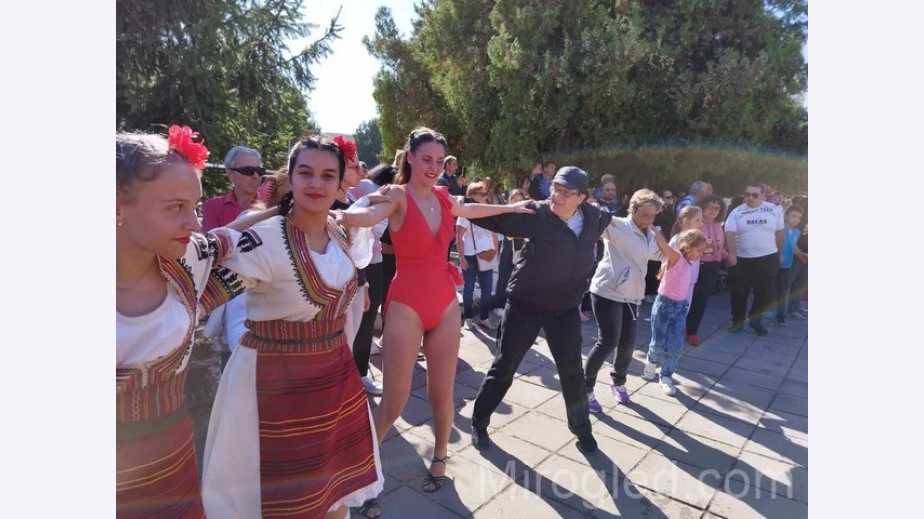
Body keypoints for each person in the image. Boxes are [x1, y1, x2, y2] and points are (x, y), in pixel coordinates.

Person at [337, 128, 533, 517]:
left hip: (444, 303)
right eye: (426, 159)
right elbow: (368, 215)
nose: (433, 167)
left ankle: (440, 456)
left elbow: (469, 209)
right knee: (394, 400)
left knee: (443, 394)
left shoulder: (444, 196)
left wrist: (511, 210)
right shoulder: (396, 195)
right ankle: (361, 473)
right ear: (410, 157)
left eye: (440, 162)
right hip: (406, 304)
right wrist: (338, 214)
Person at [201, 136, 386, 519]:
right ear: (290, 176)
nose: (316, 183)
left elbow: (382, 207)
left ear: (340, 183)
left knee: (335, 490)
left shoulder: (339, 233)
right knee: (283, 500)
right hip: (275, 387)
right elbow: (203, 269)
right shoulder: (264, 240)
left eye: (327, 175)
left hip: (334, 380)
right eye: (305, 173)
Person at [116, 127, 275, 518]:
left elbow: (223, 238)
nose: (193, 222)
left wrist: (285, 210)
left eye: (194, 206)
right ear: (117, 207)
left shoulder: (187, 261)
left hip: (175, 465)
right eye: (175, 207)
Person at [467, 167, 613, 454]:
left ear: (581, 198)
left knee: (572, 372)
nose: (556, 196)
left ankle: (582, 430)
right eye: (555, 188)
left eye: (565, 192)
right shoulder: (537, 214)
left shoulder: (595, 217)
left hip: (565, 309)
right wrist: (457, 205)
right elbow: (494, 218)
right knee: (504, 367)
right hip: (525, 306)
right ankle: (479, 422)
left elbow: (620, 223)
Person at [584, 189, 674, 410]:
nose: (648, 219)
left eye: (653, 215)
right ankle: (584, 388)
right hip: (608, 291)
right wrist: (593, 206)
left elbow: (668, 256)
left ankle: (618, 383)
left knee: (627, 344)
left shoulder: (650, 234)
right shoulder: (617, 225)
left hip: (633, 294)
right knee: (607, 342)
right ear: (633, 209)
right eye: (644, 214)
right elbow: (595, 217)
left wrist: (656, 233)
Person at [642, 230, 707, 395]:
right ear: (687, 247)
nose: (701, 254)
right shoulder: (676, 258)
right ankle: (651, 360)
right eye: (699, 250)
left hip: (680, 307)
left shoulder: (689, 263)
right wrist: (652, 228)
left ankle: (666, 376)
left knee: (675, 344)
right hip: (664, 306)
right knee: (658, 343)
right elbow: (663, 244)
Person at [725, 183, 784, 335]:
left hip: (767, 258)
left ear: (763, 195)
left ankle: (755, 320)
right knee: (739, 294)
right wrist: (732, 254)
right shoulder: (736, 212)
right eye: (747, 194)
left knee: (765, 294)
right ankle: (737, 321)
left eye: (754, 195)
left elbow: (779, 233)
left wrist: (780, 253)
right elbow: (730, 234)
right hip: (742, 260)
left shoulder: (774, 210)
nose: (750, 198)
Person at [686, 195, 728, 345]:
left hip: (712, 266)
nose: (713, 211)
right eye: (710, 207)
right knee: (688, 297)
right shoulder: (696, 223)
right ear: (703, 207)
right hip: (696, 265)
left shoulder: (718, 225)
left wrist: (727, 256)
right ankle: (680, 326)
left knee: (701, 299)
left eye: (717, 208)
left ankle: (692, 331)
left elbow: (720, 247)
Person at [457, 181, 499, 331]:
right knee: (468, 289)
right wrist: (462, 258)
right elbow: (459, 238)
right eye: (481, 194)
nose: (485, 196)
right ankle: (468, 318)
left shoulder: (487, 211)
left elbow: (494, 234)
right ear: (473, 195)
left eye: (486, 194)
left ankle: (484, 318)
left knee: (487, 290)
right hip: (470, 256)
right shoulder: (466, 213)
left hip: (487, 255)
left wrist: (496, 252)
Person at [492, 189, 528, 312]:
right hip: (508, 244)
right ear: (510, 201)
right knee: (504, 274)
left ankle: (515, 304)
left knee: (519, 276)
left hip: (522, 245)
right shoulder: (506, 212)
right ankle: (499, 304)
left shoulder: (527, 214)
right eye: (515, 200)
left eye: (520, 200)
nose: (517, 202)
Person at [775, 205, 806, 326]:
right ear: (786, 216)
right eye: (793, 216)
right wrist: (778, 254)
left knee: (784, 290)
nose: (796, 219)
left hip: (787, 266)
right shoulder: (779, 229)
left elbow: (793, 246)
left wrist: (800, 254)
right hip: (774, 263)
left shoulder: (797, 232)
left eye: (799, 217)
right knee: (769, 288)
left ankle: (781, 316)